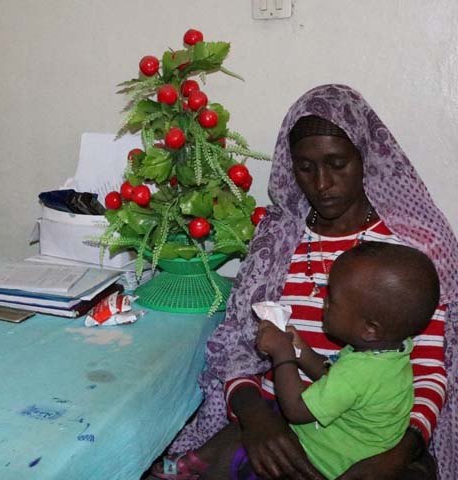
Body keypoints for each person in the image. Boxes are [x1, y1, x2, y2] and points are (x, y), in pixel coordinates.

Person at [150, 84, 458, 480]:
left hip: (379, 440)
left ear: (366, 159)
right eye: (305, 167)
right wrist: (256, 418)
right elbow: (238, 342)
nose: (322, 183)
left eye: (337, 163)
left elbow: (431, 372)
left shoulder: (413, 250)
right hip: (278, 419)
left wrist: (397, 455)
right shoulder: (277, 238)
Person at [193, 242, 440, 480]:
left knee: (241, 455)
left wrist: (283, 354)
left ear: (371, 329)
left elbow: (297, 410)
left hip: (322, 462)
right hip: (341, 442)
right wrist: (300, 350)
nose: (324, 301)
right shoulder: (388, 354)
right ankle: (194, 462)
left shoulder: (358, 371)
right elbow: (330, 375)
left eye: (332, 299)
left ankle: (192, 466)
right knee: (255, 418)